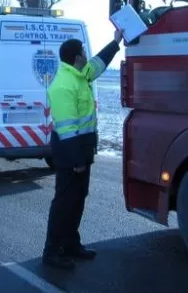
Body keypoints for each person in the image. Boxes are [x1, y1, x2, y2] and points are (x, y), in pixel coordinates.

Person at [42, 28, 124, 270]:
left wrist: (115, 42)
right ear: (77, 57)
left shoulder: (80, 74)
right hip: (70, 155)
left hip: (81, 152)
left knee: (78, 199)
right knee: (64, 202)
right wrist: (77, 160)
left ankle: (70, 244)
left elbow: (99, 63)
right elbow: (67, 129)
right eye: (84, 51)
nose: (87, 54)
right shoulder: (63, 85)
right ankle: (51, 251)